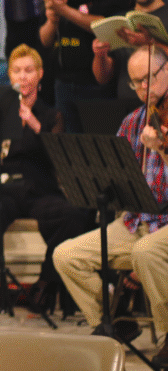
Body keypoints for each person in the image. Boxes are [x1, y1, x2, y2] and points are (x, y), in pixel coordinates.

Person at [53, 45, 168, 368]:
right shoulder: (134, 121)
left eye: (149, 79)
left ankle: (166, 339)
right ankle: (116, 319)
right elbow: (116, 172)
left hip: (165, 225)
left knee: (145, 252)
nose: (143, 89)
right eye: (136, 83)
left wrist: (160, 149)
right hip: (135, 221)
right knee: (66, 255)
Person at [0, 44, 93, 318]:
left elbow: (59, 159)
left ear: (39, 75)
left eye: (28, 71)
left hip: (40, 189)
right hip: (7, 188)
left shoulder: (51, 116)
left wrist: (35, 124)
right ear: (9, 75)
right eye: (17, 71)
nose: (22, 77)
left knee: (74, 215)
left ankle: (45, 282)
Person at [39, 0, 134, 133]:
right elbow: (45, 40)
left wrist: (64, 10)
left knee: (100, 151)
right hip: (63, 82)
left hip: (96, 84)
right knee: (69, 153)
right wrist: (53, 19)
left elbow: (104, 25)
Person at [93, 0, 167, 99]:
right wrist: (100, 55)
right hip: (127, 109)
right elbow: (103, 78)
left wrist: (151, 43)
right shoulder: (118, 20)